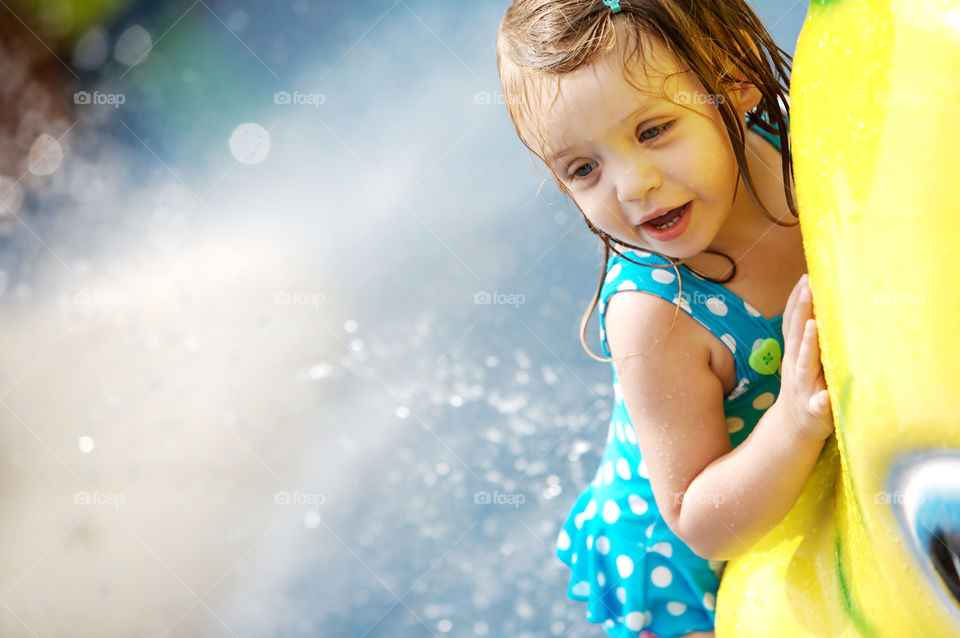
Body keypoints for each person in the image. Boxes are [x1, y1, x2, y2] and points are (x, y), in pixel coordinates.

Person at [495, 1, 835, 636]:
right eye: (583, 169)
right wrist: (792, 420)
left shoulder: (802, 144)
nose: (632, 185)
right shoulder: (656, 315)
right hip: (681, 577)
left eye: (652, 131)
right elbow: (696, 519)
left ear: (734, 79)